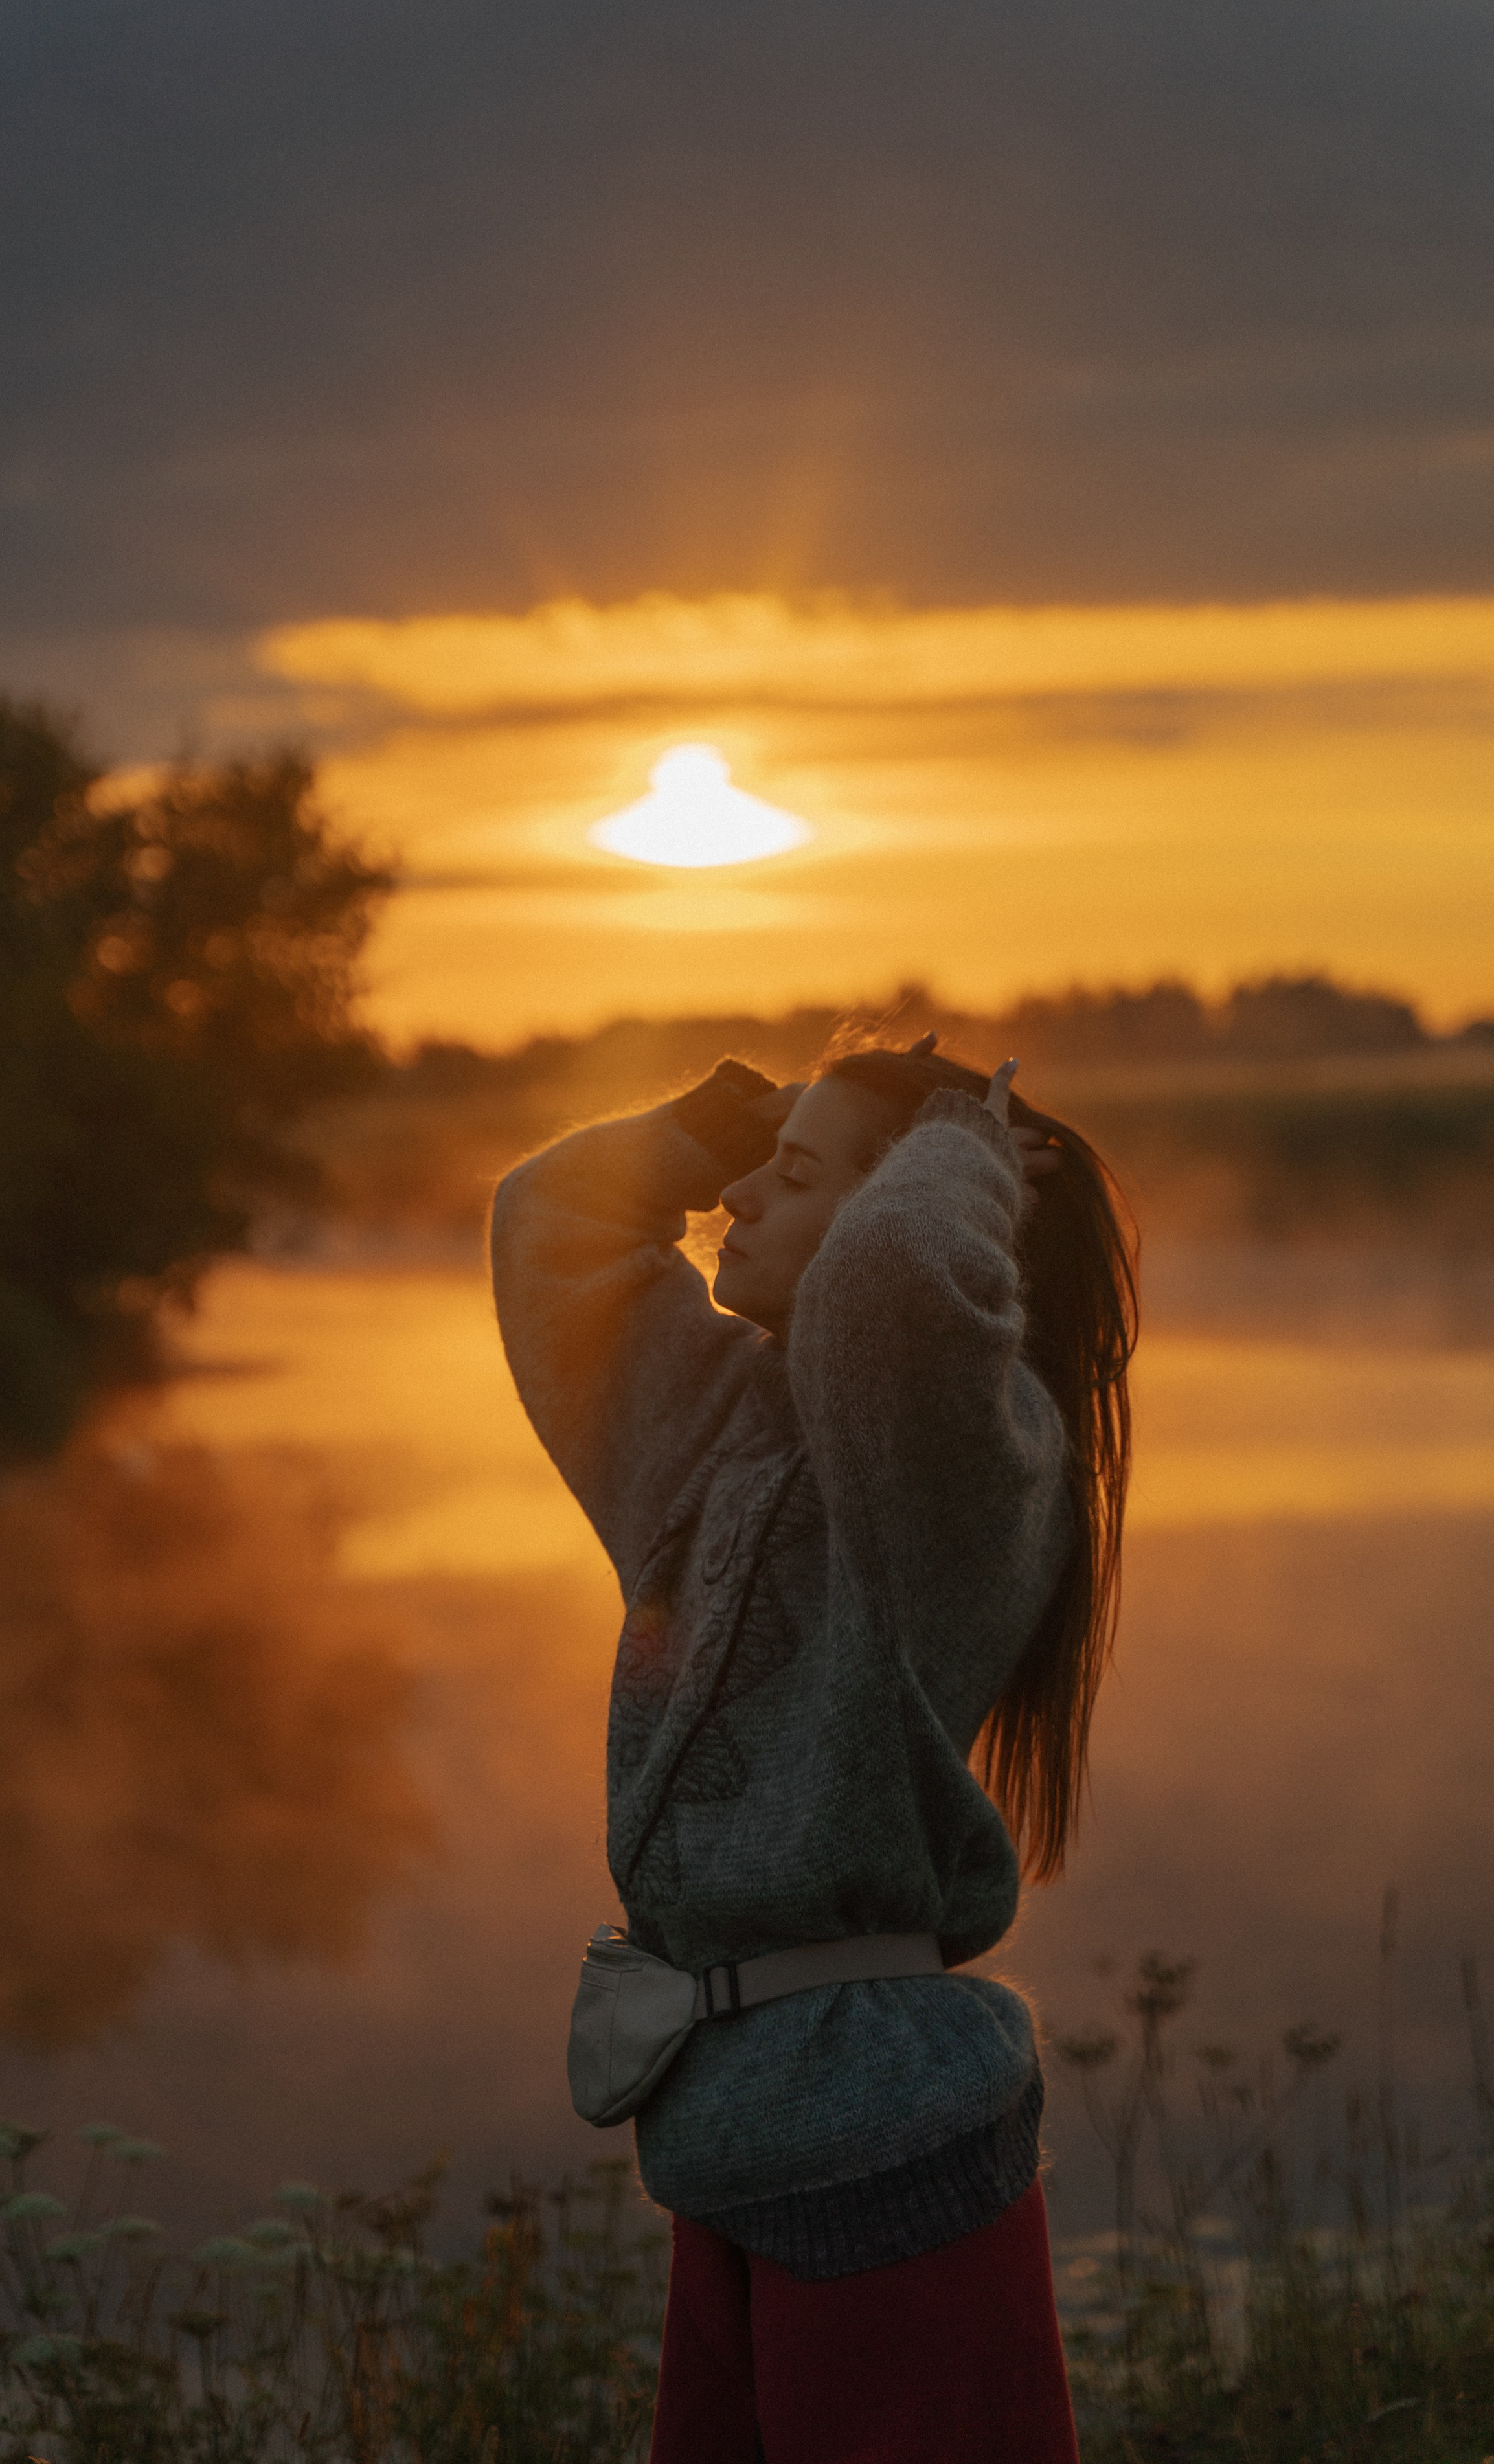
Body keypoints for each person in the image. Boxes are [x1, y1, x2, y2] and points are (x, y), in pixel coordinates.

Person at [490, 1030, 1137, 2463]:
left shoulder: (973, 1462)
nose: (734, 1201)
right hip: (727, 2138)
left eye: (785, 1180)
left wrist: (962, 1147)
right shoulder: (713, 1426)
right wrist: (721, 1122)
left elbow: (891, 1292)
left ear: (908, 1203)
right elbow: (549, 1228)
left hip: (886, 2140)